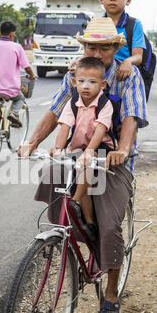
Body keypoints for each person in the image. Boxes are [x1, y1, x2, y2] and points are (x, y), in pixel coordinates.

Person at [24, 17, 148, 313]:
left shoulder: (126, 74)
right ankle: (68, 241)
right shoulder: (76, 73)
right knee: (52, 175)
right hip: (78, 153)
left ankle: (109, 292)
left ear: (114, 48)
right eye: (90, 45)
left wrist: (124, 148)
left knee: (108, 227)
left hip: (113, 160)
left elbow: (131, 117)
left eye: (103, 47)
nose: (96, 51)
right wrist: (32, 141)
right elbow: (57, 112)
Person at [50, 56, 115, 241]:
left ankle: (75, 201)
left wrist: (88, 152)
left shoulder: (105, 105)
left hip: (99, 147)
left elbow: (100, 131)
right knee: (80, 181)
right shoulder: (73, 103)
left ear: (102, 84)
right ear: (74, 82)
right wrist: (57, 148)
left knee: (84, 168)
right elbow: (64, 128)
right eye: (81, 81)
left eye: (92, 82)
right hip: (79, 147)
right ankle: (89, 223)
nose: (86, 86)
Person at [0, 20, 36, 126]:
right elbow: (26, 67)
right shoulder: (17, 47)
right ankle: (14, 114)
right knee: (20, 98)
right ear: (12, 33)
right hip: (10, 87)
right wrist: (32, 74)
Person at [99, 0, 146, 81]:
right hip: (100, 76)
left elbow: (138, 57)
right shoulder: (96, 24)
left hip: (124, 76)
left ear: (128, 0)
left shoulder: (134, 24)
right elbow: (89, 53)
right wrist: (79, 61)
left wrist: (128, 61)